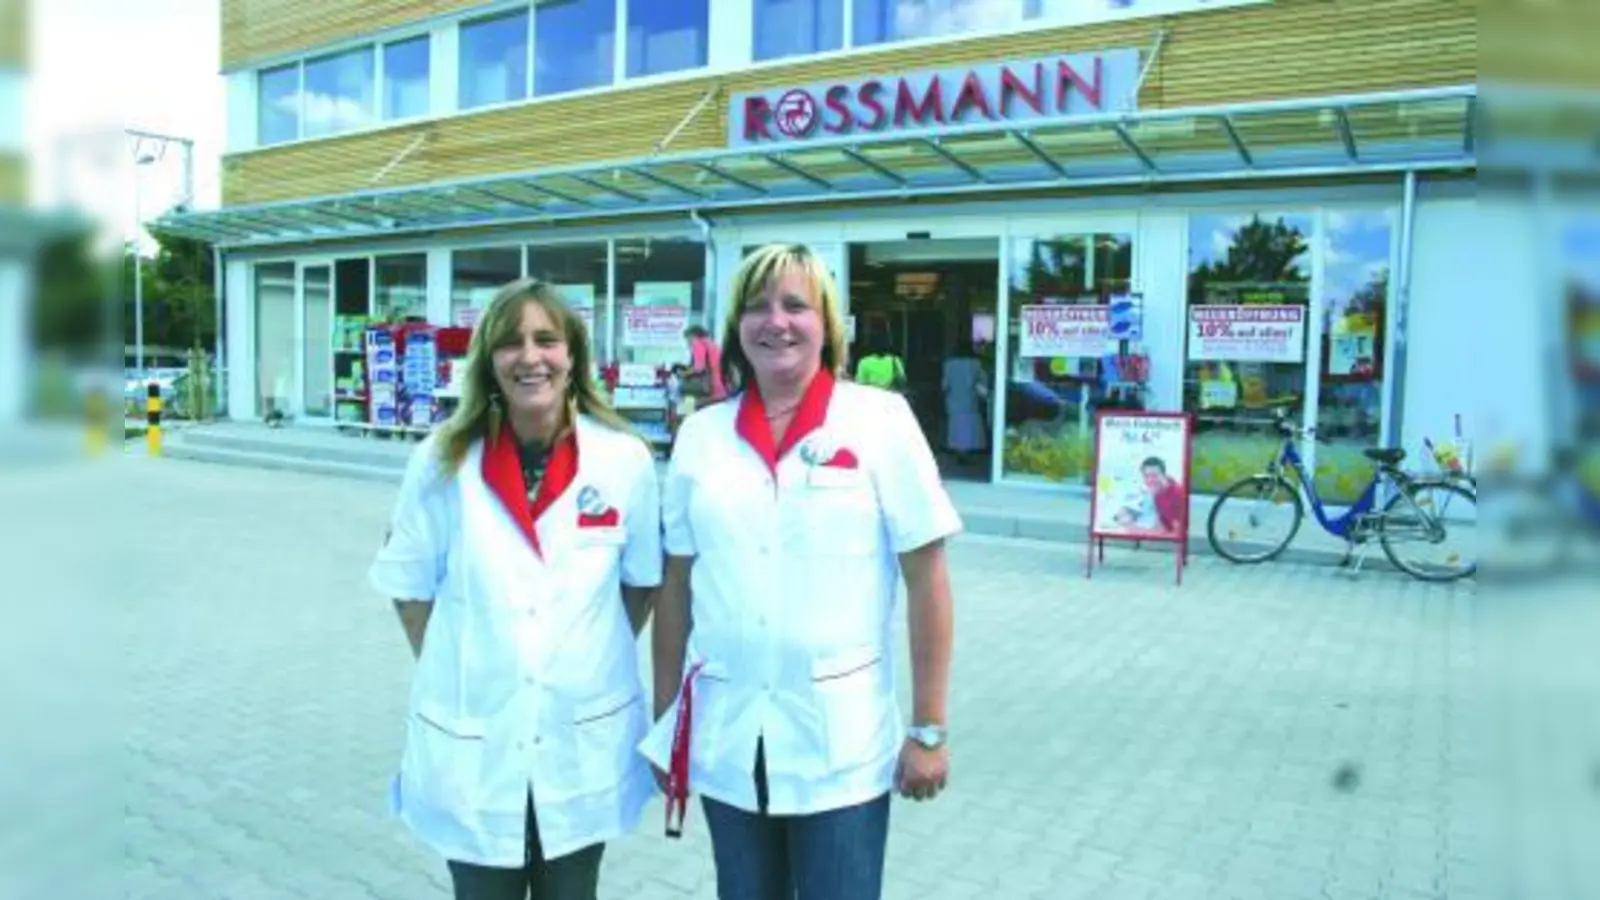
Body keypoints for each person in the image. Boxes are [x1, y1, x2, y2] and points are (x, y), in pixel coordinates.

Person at [641, 244, 962, 900]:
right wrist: (667, 721)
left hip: (840, 747)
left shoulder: (879, 421)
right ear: (736, 326)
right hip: (731, 735)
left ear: (827, 324)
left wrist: (928, 727)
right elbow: (676, 585)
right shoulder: (702, 436)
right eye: (757, 307)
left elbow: (927, 576)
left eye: (795, 305)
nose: (776, 322)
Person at [369, 279, 661, 900]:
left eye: (546, 340)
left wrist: (576, 651)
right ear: (489, 361)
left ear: (573, 355)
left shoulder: (624, 460)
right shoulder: (441, 460)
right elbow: (409, 587)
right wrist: (468, 661)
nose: (530, 357)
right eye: (510, 342)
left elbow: (639, 586)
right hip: (475, 737)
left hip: (577, 733)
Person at [940, 340, 988, 463]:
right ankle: (966, 454)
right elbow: (982, 383)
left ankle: (960, 453)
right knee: (968, 428)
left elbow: (945, 385)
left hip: (954, 401)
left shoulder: (949, 365)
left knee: (957, 427)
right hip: (970, 401)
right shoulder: (976, 364)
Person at [683, 324, 728, 403]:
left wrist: (685, 373)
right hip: (720, 386)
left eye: (687, 338)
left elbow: (699, 368)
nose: (687, 341)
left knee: (688, 404)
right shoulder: (711, 344)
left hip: (707, 387)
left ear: (692, 335)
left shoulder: (697, 344)